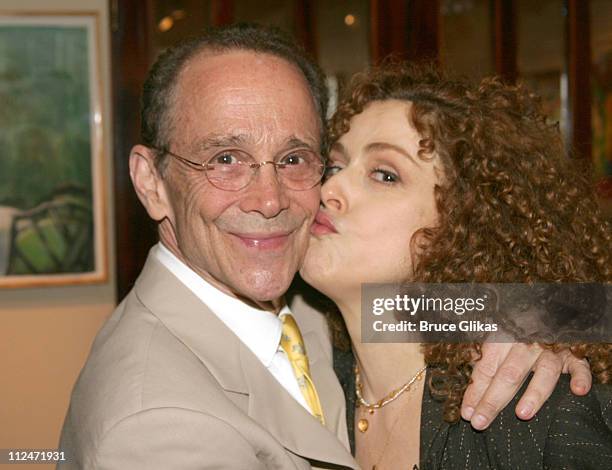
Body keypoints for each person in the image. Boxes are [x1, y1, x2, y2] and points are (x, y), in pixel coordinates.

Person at [58, 25, 595, 469]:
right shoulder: (159, 426)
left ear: (464, 223)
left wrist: (543, 320)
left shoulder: (322, 325)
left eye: (296, 160)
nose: (279, 199)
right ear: (152, 182)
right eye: (225, 158)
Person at [300, 62, 612, 469]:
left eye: (385, 175)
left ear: (461, 223)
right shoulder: (303, 368)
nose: (329, 188)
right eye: (335, 165)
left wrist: (551, 319)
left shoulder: (534, 412)